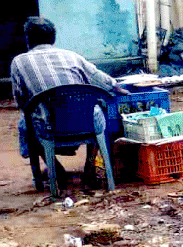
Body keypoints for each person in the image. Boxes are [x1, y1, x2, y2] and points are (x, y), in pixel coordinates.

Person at [11, 16, 129, 187]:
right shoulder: (72, 56)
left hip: (50, 126)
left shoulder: (19, 62)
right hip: (87, 123)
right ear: (53, 38)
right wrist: (120, 88)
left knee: (26, 120)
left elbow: (21, 100)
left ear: (28, 39)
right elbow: (102, 79)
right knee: (98, 109)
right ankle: (89, 165)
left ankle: (56, 169)